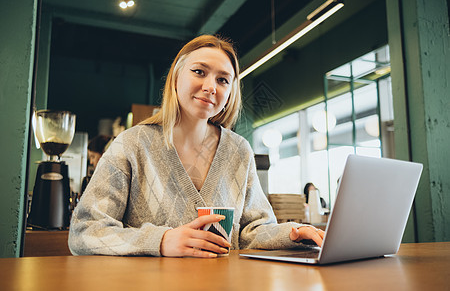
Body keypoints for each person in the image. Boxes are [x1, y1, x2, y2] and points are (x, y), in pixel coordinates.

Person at [68, 35, 324, 258]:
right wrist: (162, 241)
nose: (211, 87)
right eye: (199, 72)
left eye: (223, 80)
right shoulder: (131, 144)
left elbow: (250, 231)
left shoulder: (239, 150)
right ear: (176, 77)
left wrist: (292, 233)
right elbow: (85, 231)